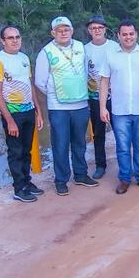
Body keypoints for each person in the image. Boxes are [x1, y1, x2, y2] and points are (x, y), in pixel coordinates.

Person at [34, 16, 98, 196]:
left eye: (66, 29)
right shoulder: (46, 52)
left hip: (81, 104)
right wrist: (57, 94)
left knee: (80, 142)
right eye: (59, 30)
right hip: (58, 107)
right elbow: (40, 81)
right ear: (53, 33)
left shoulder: (80, 47)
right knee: (60, 144)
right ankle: (61, 180)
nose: (63, 32)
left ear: (72, 31)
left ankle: (80, 174)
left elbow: (86, 71)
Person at [99, 20, 139, 194]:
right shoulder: (110, 55)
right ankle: (125, 178)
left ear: (136, 35)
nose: (128, 37)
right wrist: (102, 107)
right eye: (124, 34)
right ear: (118, 36)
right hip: (119, 111)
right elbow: (104, 82)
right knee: (122, 146)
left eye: (131, 33)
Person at [0, 24, 44, 203]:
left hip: (28, 110)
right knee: (16, 151)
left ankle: (27, 182)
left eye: (17, 37)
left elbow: (29, 84)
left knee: (26, 150)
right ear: (2, 41)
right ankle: (19, 188)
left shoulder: (24, 58)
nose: (15, 40)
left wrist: (38, 110)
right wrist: (9, 120)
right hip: (13, 112)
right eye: (10, 38)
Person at [83, 15, 118, 179]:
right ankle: (100, 165)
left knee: (121, 131)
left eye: (99, 28)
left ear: (105, 29)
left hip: (116, 97)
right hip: (95, 98)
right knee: (98, 133)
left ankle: (125, 163)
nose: (96, 31)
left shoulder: (115, 47)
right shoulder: (84, 50)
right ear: (89, 31)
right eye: (93, 28)